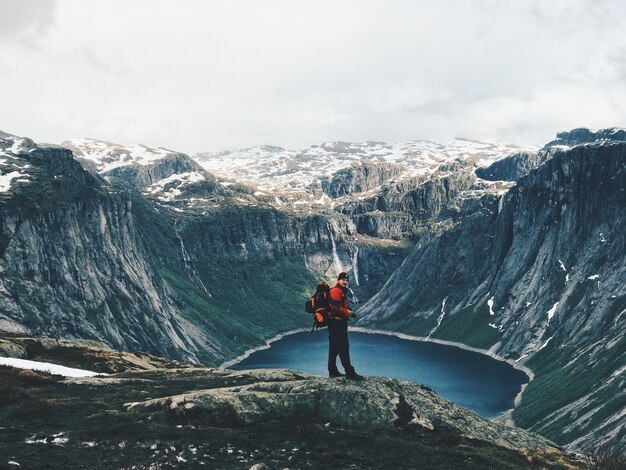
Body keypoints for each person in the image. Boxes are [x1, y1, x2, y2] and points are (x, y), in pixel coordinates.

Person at [327, 272, 364, 381]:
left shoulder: (340, 291)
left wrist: (348, 312)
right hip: (337, 324)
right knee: (343, 348)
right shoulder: (335, 291)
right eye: (343, 280)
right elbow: (335, 308)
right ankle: (350, 372)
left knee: (334, 348)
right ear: (338, 280)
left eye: (347, 280)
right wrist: (348, 313)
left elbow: (339, 307)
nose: (345, 282)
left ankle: (332, 371)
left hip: (336, 323)